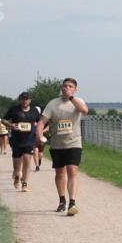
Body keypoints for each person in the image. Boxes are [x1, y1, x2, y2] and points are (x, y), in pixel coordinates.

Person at [36, 79, 88, 215]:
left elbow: (84, 110)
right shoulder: (53, 103)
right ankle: (62, 200)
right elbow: (41, 122)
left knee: (72, 170)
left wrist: (71, 98)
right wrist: (39, 135)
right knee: (59, 173)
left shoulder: (78, 101)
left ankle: (72, 202)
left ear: (75, 89)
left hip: (74, 142)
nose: (67, 88)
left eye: (70, 86)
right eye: (65, 86)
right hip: (57, 144)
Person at [4, 93, 41, 192]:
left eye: (27, 99)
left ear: (30, 100)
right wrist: (11, 125)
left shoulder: (34, 111)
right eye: (23, 99)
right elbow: (3, 120)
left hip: (29, 140)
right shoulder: (14, 110)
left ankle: (24, 183)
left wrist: (40, 133)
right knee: (17, 165)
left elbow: (40, 122)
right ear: (19, 100)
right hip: (17, 140)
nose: (25, 101)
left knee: (27, 160)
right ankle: (17, 175)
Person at [34, 105, 46, 171]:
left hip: (39, 137)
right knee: (37, 151)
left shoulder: (33, 118)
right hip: (37, 138)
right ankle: (37, 165)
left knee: (38, 151)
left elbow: (48, 127)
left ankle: (38, 164)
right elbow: (48, 127)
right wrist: (42, 131)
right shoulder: (43, 118)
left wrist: (42, 131)